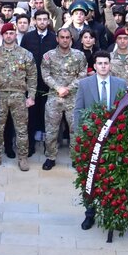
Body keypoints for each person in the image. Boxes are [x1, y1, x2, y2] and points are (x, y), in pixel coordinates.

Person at [73, 51, 127, 230]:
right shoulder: (84, 84)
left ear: (110, 65)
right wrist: (82, 135)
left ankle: (113, 211)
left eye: (106, 63)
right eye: (100, 63)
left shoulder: (121, 84)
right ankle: (90, 213)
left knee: (112, 176)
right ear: (94, 66)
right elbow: (79, 110)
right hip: (91, 138)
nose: (103, 66)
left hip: (114, 139)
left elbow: (125, 110)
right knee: (90, 176)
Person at [0, 23, 37, 171]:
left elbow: (32, 77)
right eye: (6, 33)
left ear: (15, 35)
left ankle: (23, 157)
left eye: (11, 33)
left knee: (21, 129)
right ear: (2, 35)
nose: (9, 36)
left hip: (19, 96)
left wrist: (31, 95)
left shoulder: (26, 54)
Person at [40, 28, 87, 170]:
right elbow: (45, 74)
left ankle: (75, 157)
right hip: (54, 97)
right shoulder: (49, 56)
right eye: (62, 37)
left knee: (75, 130)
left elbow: (83, 73)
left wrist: (69, 88)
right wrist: (58, 88)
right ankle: (50, 157)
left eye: (67, 37)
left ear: (71, 39)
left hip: (73, 98)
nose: (65, 40)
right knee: (51, 129)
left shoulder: (79, 56)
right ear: (57, 39)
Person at [20, 10, 58, 155]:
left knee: (47, 116)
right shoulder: (28, 37)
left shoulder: (54, 38)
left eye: (45, 19)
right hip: (30, 83)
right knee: (30, 116)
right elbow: (21, 59)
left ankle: (48, 148)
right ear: (34, 21)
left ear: (48, 21)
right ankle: (30, 147)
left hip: (48, 84)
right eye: (39, 19)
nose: (42, 22)